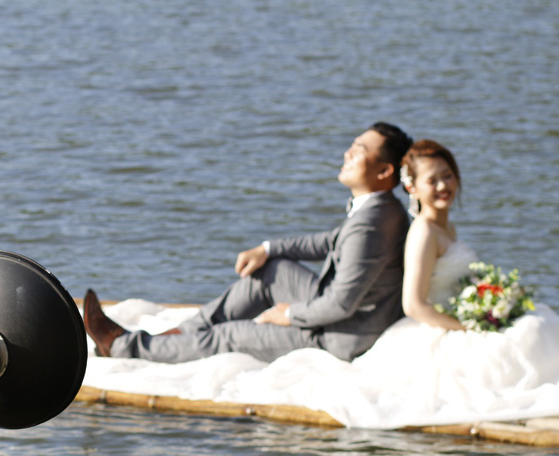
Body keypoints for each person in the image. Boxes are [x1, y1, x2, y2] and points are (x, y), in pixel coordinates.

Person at [84, 122, 414, 364]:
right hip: (341, 316)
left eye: (359, 150)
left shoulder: (372, 224)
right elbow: (329, 242)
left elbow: (340, 305)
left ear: (385, 171)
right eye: (352, 144)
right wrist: (267, 248)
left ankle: (120, 347)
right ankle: (179, 337)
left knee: (228, 336)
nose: (348, 152)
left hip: (341, 336)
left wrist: (290, 314)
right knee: (270, 271)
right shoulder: (379, 209)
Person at [399, 139, 476, 329]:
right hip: (442, 328)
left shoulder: (447, 227)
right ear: (412, 188)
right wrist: (468, 329)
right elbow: (413, 306)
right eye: (432, 181)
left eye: (447, 176)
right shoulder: (424, 232)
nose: (443, 186)